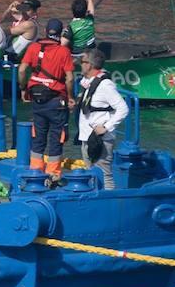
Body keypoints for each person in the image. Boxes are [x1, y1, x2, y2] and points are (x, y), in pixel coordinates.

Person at [18, 19, 74, 182]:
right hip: (56, 101)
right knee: (57, 136)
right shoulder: (63, 52)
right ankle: (54, 174)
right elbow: (69, 79)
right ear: (60, 33)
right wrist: (70, 97)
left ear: (46, 31)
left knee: (38, 135)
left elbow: (22, 70)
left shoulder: (34, 47)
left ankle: (35, 172)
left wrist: (23, 89)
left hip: (37, 100)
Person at [77, 50, 129, 189]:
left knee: (104, 175)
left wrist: (106, 127)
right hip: (87, 136)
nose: (80, 65)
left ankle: (110, 205)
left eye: (82, 62)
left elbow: (123, 108)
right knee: (91, 173)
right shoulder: (89, 82)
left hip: (101, 139)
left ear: (89, 65)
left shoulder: (105, 85)